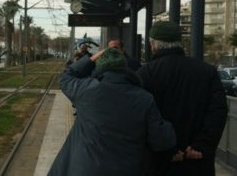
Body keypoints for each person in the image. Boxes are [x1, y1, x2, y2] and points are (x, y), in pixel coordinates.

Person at [48, 48, 177, 176]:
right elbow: (161, 140)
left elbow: (66, 77)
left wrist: (90, 60)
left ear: (99, 68)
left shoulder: (86, 91)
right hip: (127, 169)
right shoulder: (144, 98)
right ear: (125, 68)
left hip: (85, 169)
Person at [136, 21, 228, 176]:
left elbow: (142, 116)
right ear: (179, 43)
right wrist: (202, 145)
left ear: (153, 44)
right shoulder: (207, 71)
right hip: (197, 162)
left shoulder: (145, 74)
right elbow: (218, 111)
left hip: (159, 162)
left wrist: (166, 149)